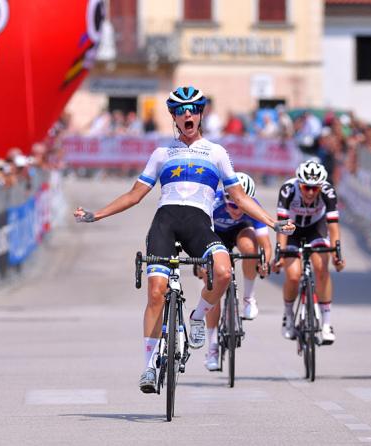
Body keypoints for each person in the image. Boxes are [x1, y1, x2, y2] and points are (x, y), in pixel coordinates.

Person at [73, 86, 295, 394]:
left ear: (201, 114)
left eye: (192, 109)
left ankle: (198, 315)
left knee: (223, 271)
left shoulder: (216, 153)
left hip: (198, 224)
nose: (187, 114)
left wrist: (273, 223)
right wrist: (97, 215)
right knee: (155, 292)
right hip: (165, 222)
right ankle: (149, 366)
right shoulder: (162, 153)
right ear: (174, 117)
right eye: (180, 110)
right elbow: (135, 195)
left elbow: (239, 197)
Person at [202, 172, 272, 371]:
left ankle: (249, 298)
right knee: (212, 286)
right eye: (233, 205)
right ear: (225, 199)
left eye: (241, 206)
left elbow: (265, 243)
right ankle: (213, 346)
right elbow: (198, 237)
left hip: (242, 231)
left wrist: (265, 261)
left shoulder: (252, 206)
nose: (237, 210)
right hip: (214, 236)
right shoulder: (212, 203)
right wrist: (201, 264)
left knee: (251, 249)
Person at [273, 160, 345, 345]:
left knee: (322, 269)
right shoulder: (288, 189)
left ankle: (327, 324)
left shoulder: (328, 191)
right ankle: (288, 316)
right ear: (299, 184)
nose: (311, 192)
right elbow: (281, 224)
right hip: (292, 229)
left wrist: (337, 253)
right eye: (307, 188)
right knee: (294, 276)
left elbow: (333, 226)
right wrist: (279, 253)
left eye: (315, 188)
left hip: (316, 228)